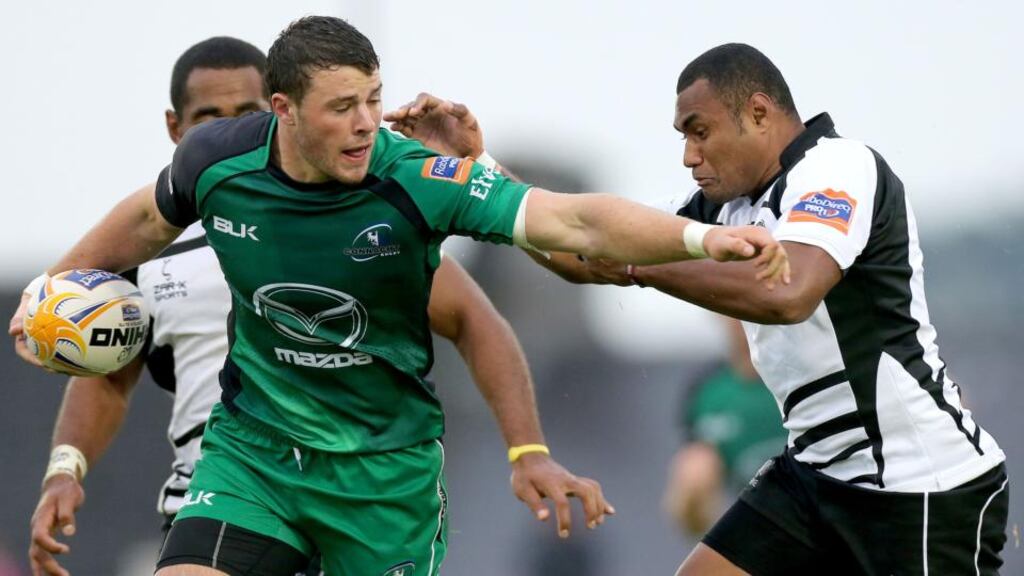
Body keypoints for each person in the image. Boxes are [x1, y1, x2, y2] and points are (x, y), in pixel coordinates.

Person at [9, 18, 789, 575]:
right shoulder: (216, 164)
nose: (365, 125)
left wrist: (698, 238)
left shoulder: (415, 179)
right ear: (282, 110)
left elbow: (570, 221)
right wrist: (50, 291)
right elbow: (141, 222)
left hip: (383, 480)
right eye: (341, 107)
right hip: (257, 460)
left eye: (373, 100)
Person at [394, 43, 1010, 575]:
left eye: (699, 131)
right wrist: (479, 171)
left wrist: (640, 267)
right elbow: (581, 250)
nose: (690, 155)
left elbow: (788, 294)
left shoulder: (839, 167)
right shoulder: (719, 207)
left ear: (759, 113)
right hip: (814, 475)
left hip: (918, 484)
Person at [661, 318, 786, 537]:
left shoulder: (808, 376)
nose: (743, 318)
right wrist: (693, 500)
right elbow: (692, 518)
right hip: (765, 535)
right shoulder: (707, 391)